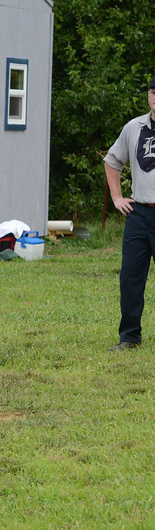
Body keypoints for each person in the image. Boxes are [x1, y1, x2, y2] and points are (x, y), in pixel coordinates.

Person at [104, 76, 155, 351]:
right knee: (131, 279)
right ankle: (130, 337)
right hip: (139, 214)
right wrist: (116, 197)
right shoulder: (134, 128)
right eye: (153, 91)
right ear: (148, 95)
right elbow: (112, 161)